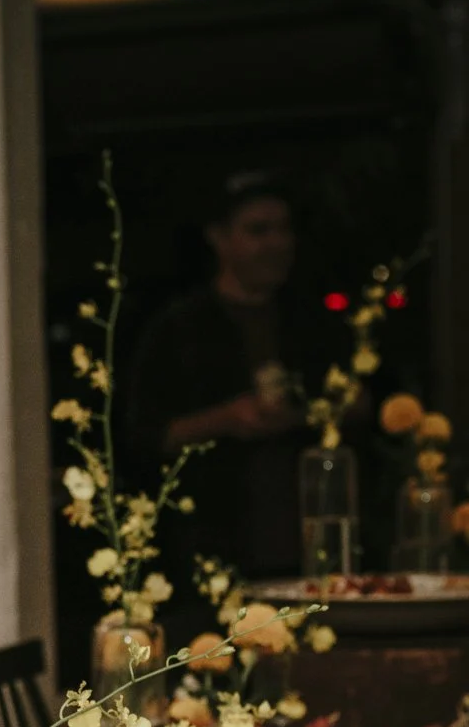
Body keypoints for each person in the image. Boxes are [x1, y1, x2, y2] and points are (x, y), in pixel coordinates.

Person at [126, 173, 332, 578]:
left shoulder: (310, 320)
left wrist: (304, 413)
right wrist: (225, 420)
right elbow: (143, 437)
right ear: (219, 239)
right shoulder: (178, 327)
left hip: (310, 551)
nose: (277, 243)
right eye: (258, 231)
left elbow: (367, 401)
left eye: (284, 230)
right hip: (212, 552)